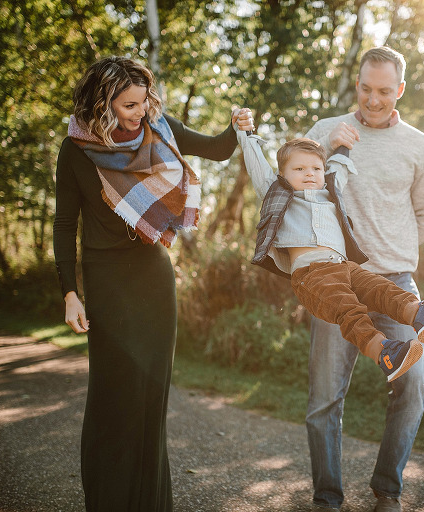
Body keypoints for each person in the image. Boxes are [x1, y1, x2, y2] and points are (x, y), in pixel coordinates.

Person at [52, 56, 254, 512]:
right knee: (113, 397)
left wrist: (237, 124)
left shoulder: (159, 127)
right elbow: (65, 224)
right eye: (127, 105)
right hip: (106, 283)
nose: (139, 112)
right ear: (102, 103)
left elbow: (218, 149)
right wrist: (70, 293)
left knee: (150, 398)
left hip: (153, 279)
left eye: (143, 101)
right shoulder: (77, 150)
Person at [302, 46, 424, 511]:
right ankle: (327, 497)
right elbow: (288, 190)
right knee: (325, 397)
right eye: (366, 88)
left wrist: (390, 246)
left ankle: (388, 487)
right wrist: (326, 151)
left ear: (400, 90)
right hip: (334, 282)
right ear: (358, 83)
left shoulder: (419, 146)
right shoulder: (326, 131)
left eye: (384, 91)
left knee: (415, 378)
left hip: (395, 283)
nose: (373, 99)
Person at [234, 125, 424, 382]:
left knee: (381, 288)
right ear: (282, 175)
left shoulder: (330, 195)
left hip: (344, 267)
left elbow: (339, 169)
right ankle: (384, 352)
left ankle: (417, 313)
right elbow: (257, 166)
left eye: (315, 169)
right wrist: (245, 132)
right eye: (299, 169)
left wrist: (345, 145)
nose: (309, 174)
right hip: (312, 274)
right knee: (350, 310)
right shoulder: (278, 194)